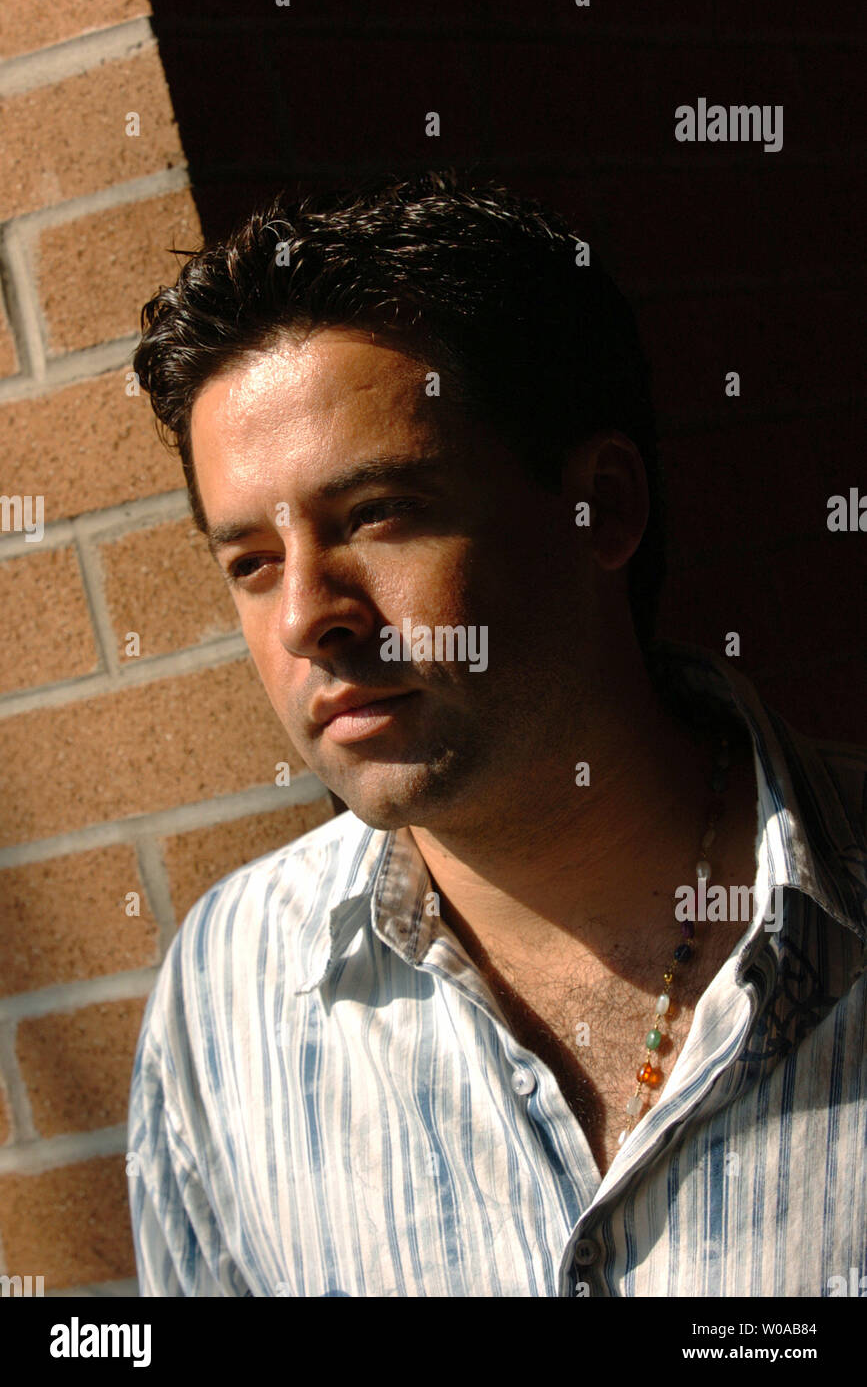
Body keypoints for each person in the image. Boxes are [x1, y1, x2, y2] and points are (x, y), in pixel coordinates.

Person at [127, 169, 866, 1297]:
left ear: (600, 508)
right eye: (251, 562)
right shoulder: (225, 994)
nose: (306, 617)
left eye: (378, 514)